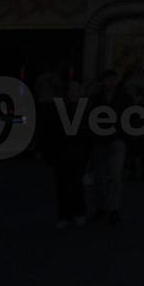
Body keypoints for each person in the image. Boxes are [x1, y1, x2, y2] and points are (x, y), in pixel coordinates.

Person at [33, 74, 88, 228]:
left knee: (76, 184)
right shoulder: (59, 107)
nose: (74, 92)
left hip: (77, 151)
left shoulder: (85, 108)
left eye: (76, 89)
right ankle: (65, 214)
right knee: (62, 185)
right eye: (71, 89)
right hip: (63, 151)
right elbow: (50, 131)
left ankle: (77, 212)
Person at [86, 71, 128, 225]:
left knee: (115, 176)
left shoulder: (123, 97)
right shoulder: (96, 98)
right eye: (108, 80)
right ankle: (103, 207)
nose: (111, 82)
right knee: (100, 176)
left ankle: (113, 208)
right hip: (100, 140)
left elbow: (131, 117)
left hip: (116, 139)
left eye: (113, 79)